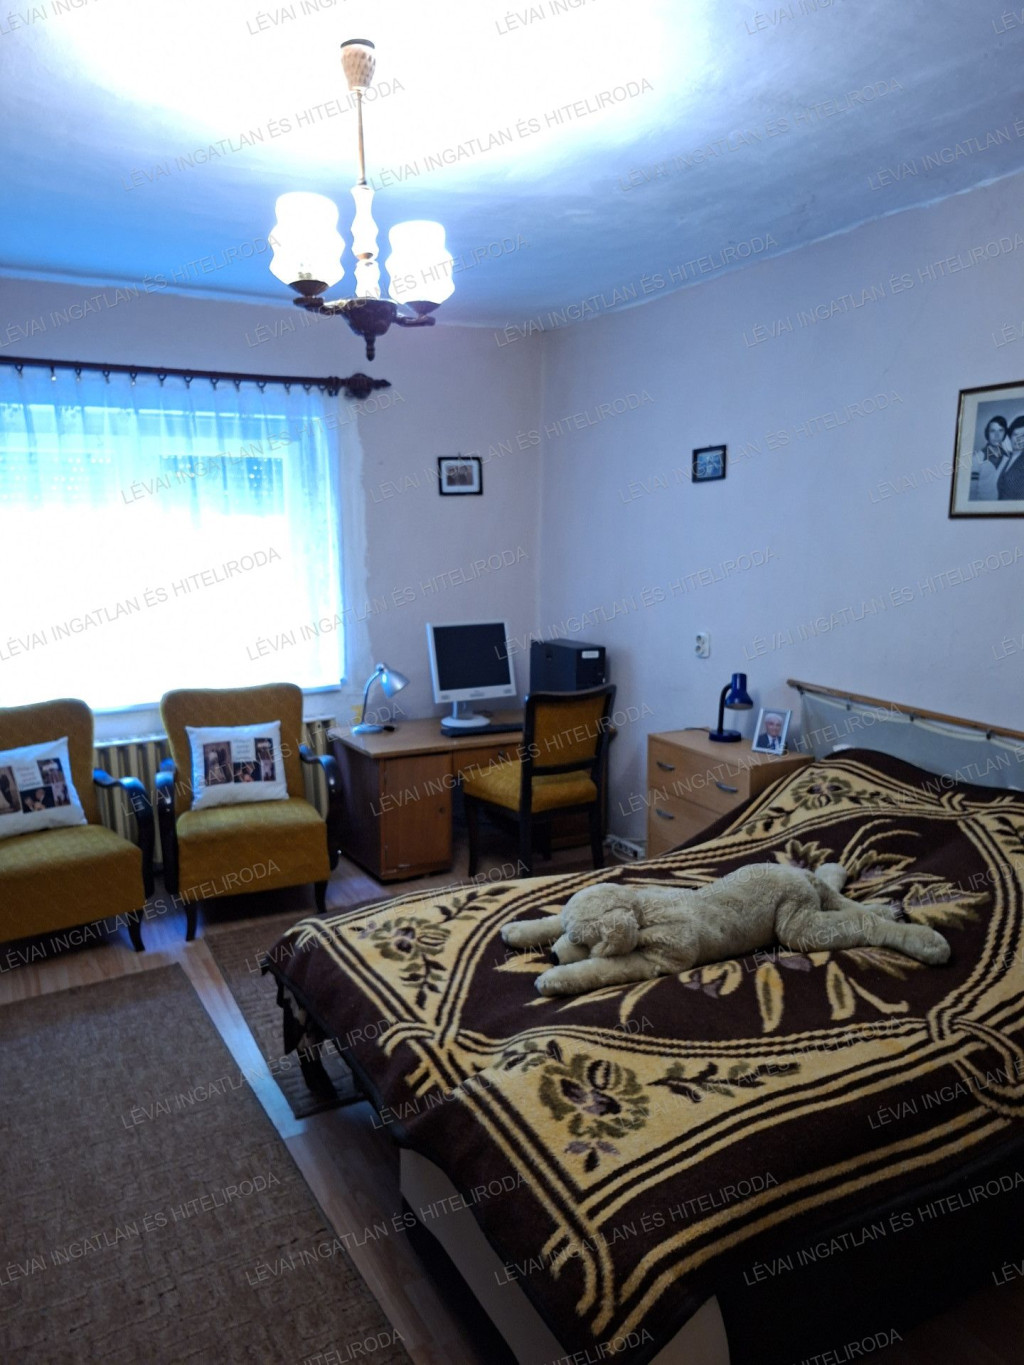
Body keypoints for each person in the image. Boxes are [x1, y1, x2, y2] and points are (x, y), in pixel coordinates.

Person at [969, 416, 1009, 500]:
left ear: (1005, 433)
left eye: (1000, 430)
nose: (997, 435)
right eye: (992, 431)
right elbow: (972, 492)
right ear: (987, 433)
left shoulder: (1008, 458)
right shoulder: (977, 459)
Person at [998, 417, 1024, 501]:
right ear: (1010, 436)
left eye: (1023, 435)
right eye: (1015, 434)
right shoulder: (1008, 458)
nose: (1018, 439)